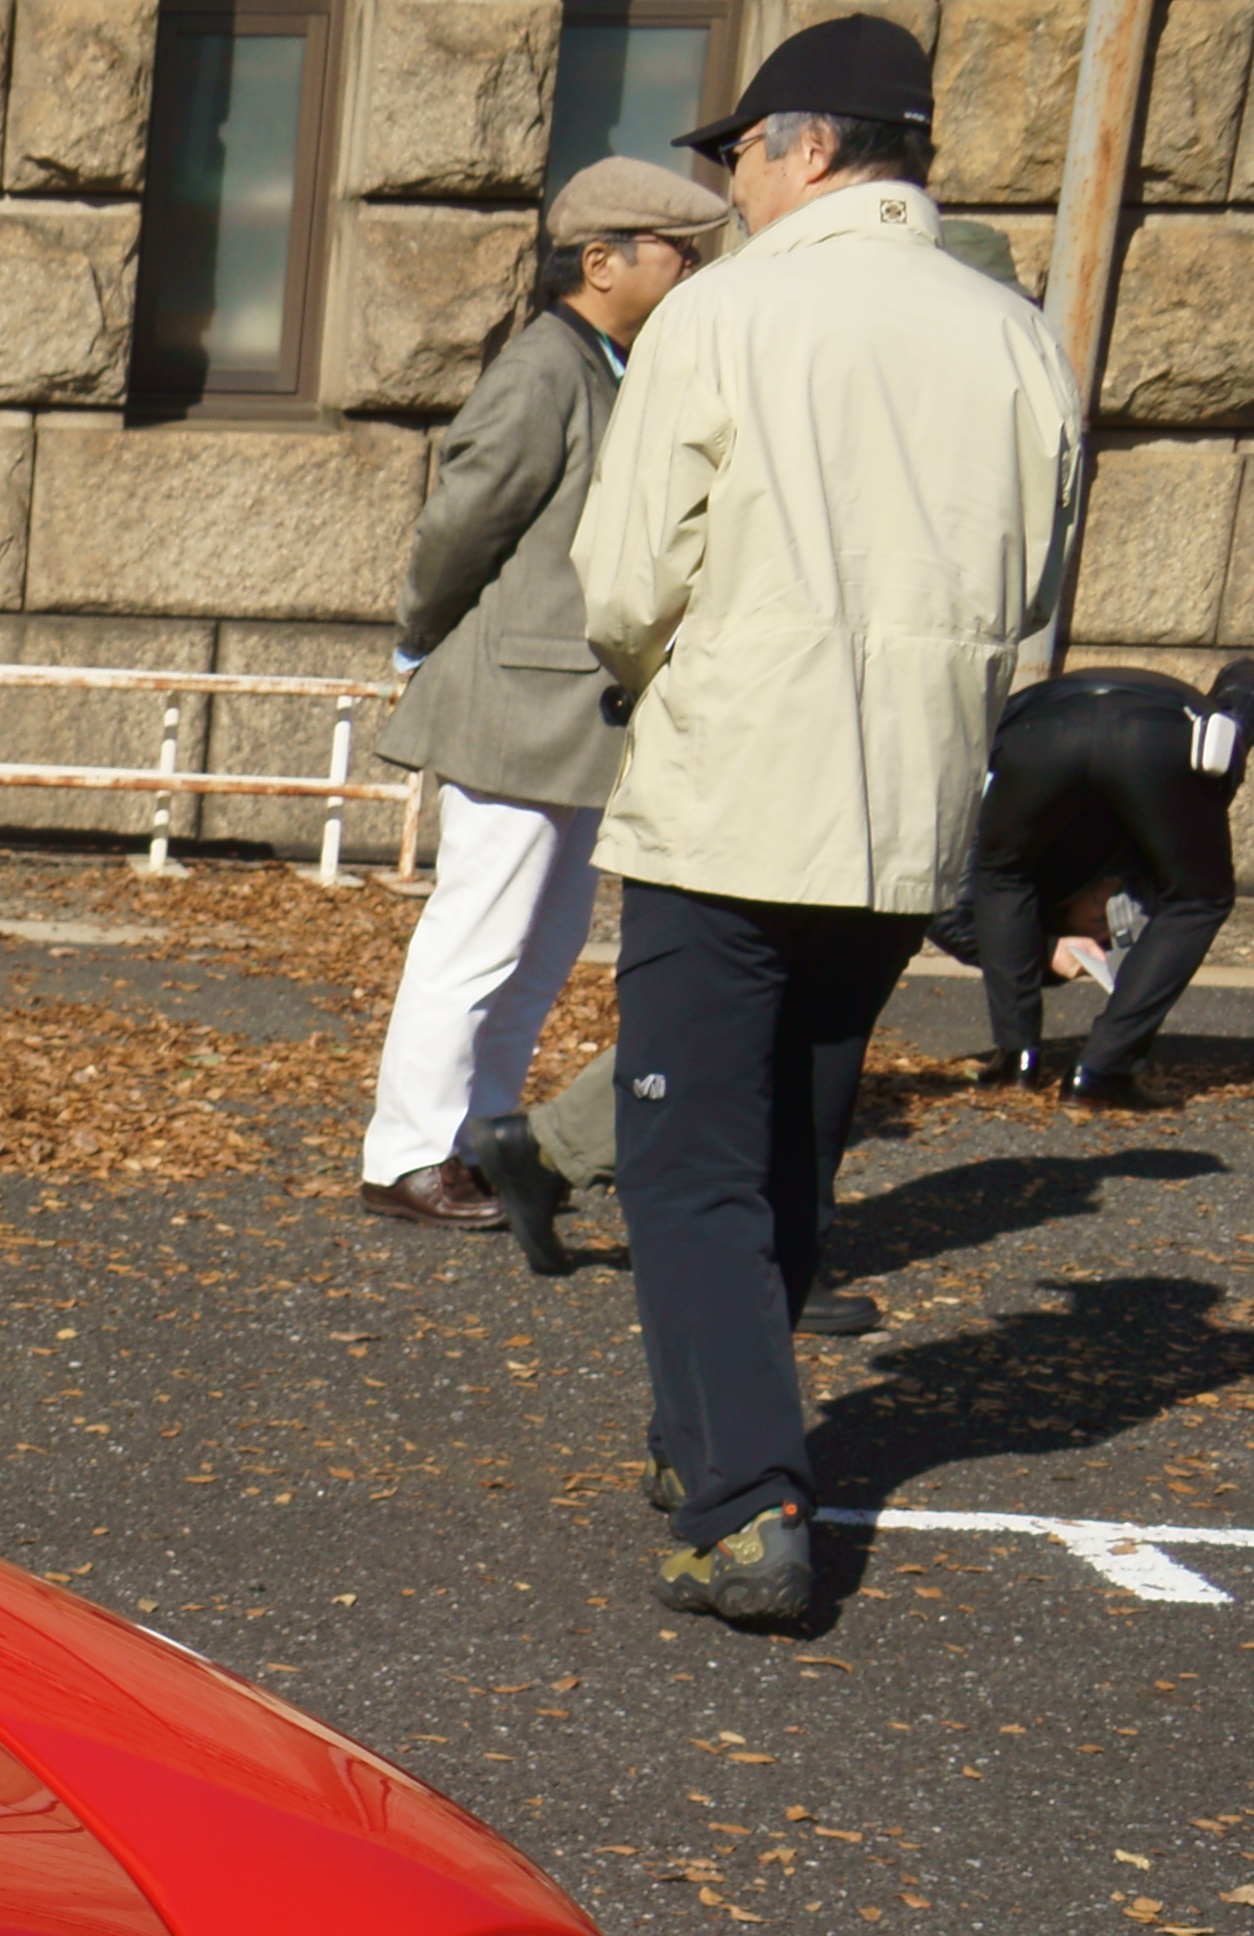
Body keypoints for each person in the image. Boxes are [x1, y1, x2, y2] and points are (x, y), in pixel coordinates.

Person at [566, 13, 1076, 1632]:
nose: (734, 187)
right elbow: (1036, 598)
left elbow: (629, 573)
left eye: (740, 156)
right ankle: (705, 1432)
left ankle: (742, 1504)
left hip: (735, 782)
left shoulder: (726, 315)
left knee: (686, 1158)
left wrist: (643, 668)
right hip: (905, 792)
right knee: (790, 1142)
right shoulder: (1015, 336)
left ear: (806, 146)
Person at [352, 156, 724, 1230]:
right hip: (515, 697)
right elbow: (460, 523)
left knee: (539, 939)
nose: (692, 270)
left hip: (561, 705)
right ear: (599, 262)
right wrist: (419, 639)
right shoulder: (549, 366)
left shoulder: (603, 360)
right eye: (677, 253)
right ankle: (408, 1155)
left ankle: (478, 1137)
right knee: (480, 932)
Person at [953, 655, 1254, 1111]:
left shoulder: (1062, 853)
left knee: (1000, 876)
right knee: (1199, 900)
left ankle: (1015, 1062)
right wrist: (1045, 947)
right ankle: (1103, 1069)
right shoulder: (1176, 775)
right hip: (1154, 734)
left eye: (1094, 933)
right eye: (1101, 933)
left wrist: (1231, 730)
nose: (1104, 935)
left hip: (1037, 732)